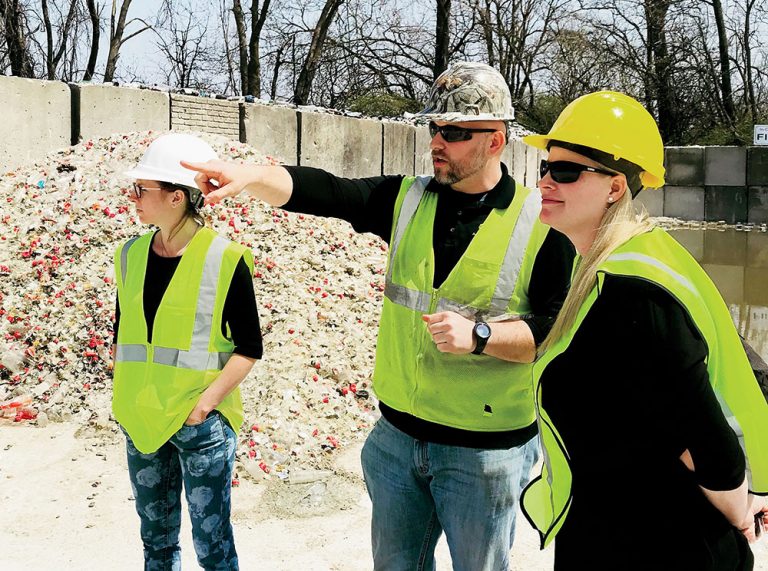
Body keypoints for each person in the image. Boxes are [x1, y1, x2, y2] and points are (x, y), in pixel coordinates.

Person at [182, 61, 575, 570]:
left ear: (495, 140)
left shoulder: (541, 225)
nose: (437, 142)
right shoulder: (408, 200)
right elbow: (330, 192)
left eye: (454, 132)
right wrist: (253, 174)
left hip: (484, 456)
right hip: (396, 443)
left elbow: (551, 335)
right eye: (434, 128)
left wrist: (480, 336)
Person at [518, 91, 768, 570]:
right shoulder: (628, 258)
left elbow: (708, 445)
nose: (546, 181)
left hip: (658, 545)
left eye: (567, 171)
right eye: (545, 168)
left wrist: (740, 511)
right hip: (624, 533)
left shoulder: (631, 292)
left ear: (615, 188)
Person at [112, 133, 262, 570]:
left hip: (200, 425)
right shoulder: (129, 255)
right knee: (155, 541)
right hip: (143, 418)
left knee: (213, 546)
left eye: (143, 189)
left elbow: (249, 348)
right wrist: (124, 399)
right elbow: (124, 335)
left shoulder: (224, 258)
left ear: (176, 197)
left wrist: (204, 407)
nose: (134, 197)